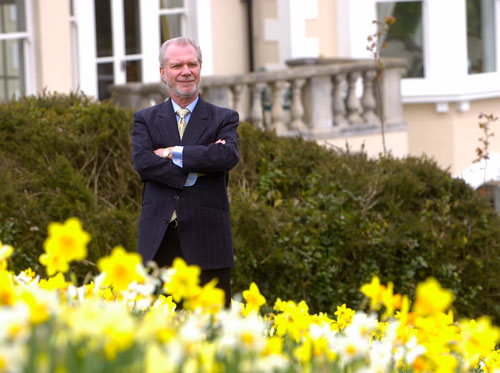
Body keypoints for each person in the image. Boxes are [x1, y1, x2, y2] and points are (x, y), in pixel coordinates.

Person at [131, 37, 239, 306]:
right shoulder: (145, 119)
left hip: (208, 241)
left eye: (192, 63)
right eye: (177, 65)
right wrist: (196, 169)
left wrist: (172, 153)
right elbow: (143, 163)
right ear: (163, 73)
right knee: (160, 334)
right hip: (158, 242)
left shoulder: (224, 117)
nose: (186, 71)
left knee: (213, 333)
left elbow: (226, 155)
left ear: (200, 67)